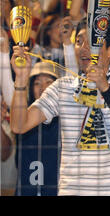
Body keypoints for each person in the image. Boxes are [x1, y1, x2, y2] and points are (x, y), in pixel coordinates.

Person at [10, 18, 110, 196]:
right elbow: (19, 126)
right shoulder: (63, 86)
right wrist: (21, 79)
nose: (83, 48)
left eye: (92, 43)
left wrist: (104, 87)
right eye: (78, 41)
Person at [15, 62, 60, 196]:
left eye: (49, 82)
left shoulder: (67, 117)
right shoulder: (20, 115)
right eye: (37, 83)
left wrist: (67, 45)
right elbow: (11, 90)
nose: (43, 88)